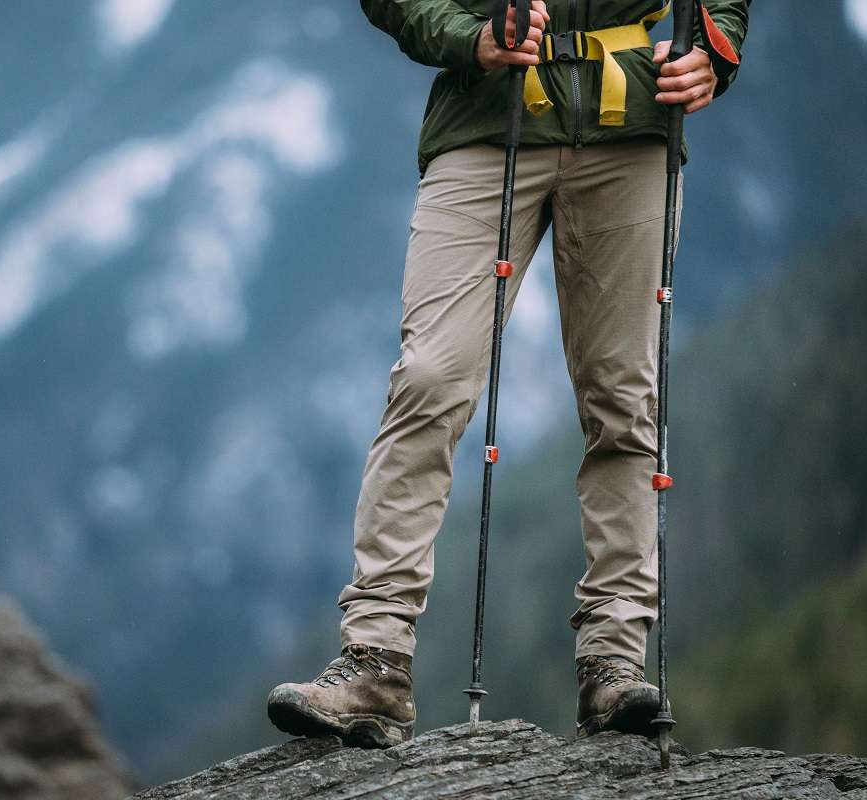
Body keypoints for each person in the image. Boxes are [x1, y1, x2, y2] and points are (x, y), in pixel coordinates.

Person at [268, 0, 750, 748]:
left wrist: (715, 50)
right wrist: (472, 37)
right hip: (487, 119)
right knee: (429, 379)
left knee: (624, 399)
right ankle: (375, 658)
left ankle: (613, 663)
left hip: (633, 126)